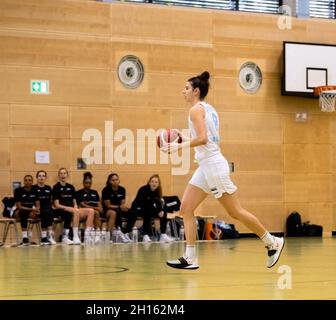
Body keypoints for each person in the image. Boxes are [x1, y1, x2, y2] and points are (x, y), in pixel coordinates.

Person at [165, 71, 284, 270]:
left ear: (196, 91)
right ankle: (190, 257)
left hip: (213, 166)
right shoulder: (208, 108)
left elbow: (203, 139)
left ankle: (272, 242)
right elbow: (206, 140)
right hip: (206, 165)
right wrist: (183, 138)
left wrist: (179, 146)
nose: (182, 91)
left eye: (186, 88)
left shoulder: (195, 110)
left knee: (235, 211)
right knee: (186, 209)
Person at [52, 168, 94, 245]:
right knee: (76, 211)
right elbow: (57, 205)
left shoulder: (71, 187)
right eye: (61, 173)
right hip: (62, 209)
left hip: (73, 210)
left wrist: (75, 206)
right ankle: (75, 236)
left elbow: (74, 202)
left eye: (64, 173)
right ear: (58, 176)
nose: (63, 175)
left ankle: (87, 236)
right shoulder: (56, 187)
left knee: (91, 211)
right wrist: (72, 209)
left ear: (67, 175)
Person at [132, 174, 174, 243]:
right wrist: (156, 210)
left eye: (156, 182)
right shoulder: (143, 189)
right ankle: (145, 235)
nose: (154, 183)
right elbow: (143, 204)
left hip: (149, 208)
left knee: (164, 213)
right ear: (149, 182)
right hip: (138, 208)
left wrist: (160, 211)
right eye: (152, 181)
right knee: (147, 212)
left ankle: (163, 235)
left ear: (158, 184)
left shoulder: (157, 191)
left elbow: (158, 203)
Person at [102, 173, 137, 243]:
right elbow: (107, 205)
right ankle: (119, 231)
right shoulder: (106, 190)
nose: (115, 181)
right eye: (113, 180)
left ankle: (126, 232)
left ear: (119, 180)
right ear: (109, 181)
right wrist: (119, 207)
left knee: (133, 213)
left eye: (116, 179)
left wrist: (123, 207)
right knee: (117, 212)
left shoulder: (122, 189)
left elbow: (122, 203)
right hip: (109, 210)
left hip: (119, 208)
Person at [14, 175, 40, 246]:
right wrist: (32, 209)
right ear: (24, 181)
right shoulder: (18, 190)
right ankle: (24, 237)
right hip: (19, 211)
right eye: (26, 180)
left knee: (39, 215)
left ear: (32, 182)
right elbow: (19, 206)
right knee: (23, 213)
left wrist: (37, 209)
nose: (27, 182)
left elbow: (37, 204)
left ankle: (40, 237)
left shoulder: (35, 191)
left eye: (29, 180)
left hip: (31, 211)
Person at [32, 170, 56, 245]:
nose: (41, 177)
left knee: (50, 212)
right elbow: (32, 200)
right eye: (39, 176)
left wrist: (53, 206)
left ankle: (48, 236)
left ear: (45, 178)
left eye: (43, 176)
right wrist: (35, 208)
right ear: (37, 177)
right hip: (38, 209)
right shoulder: (33, 188)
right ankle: (44, 237)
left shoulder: (48, 188)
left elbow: (51, 200)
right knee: (46, 213)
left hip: (48, 208)